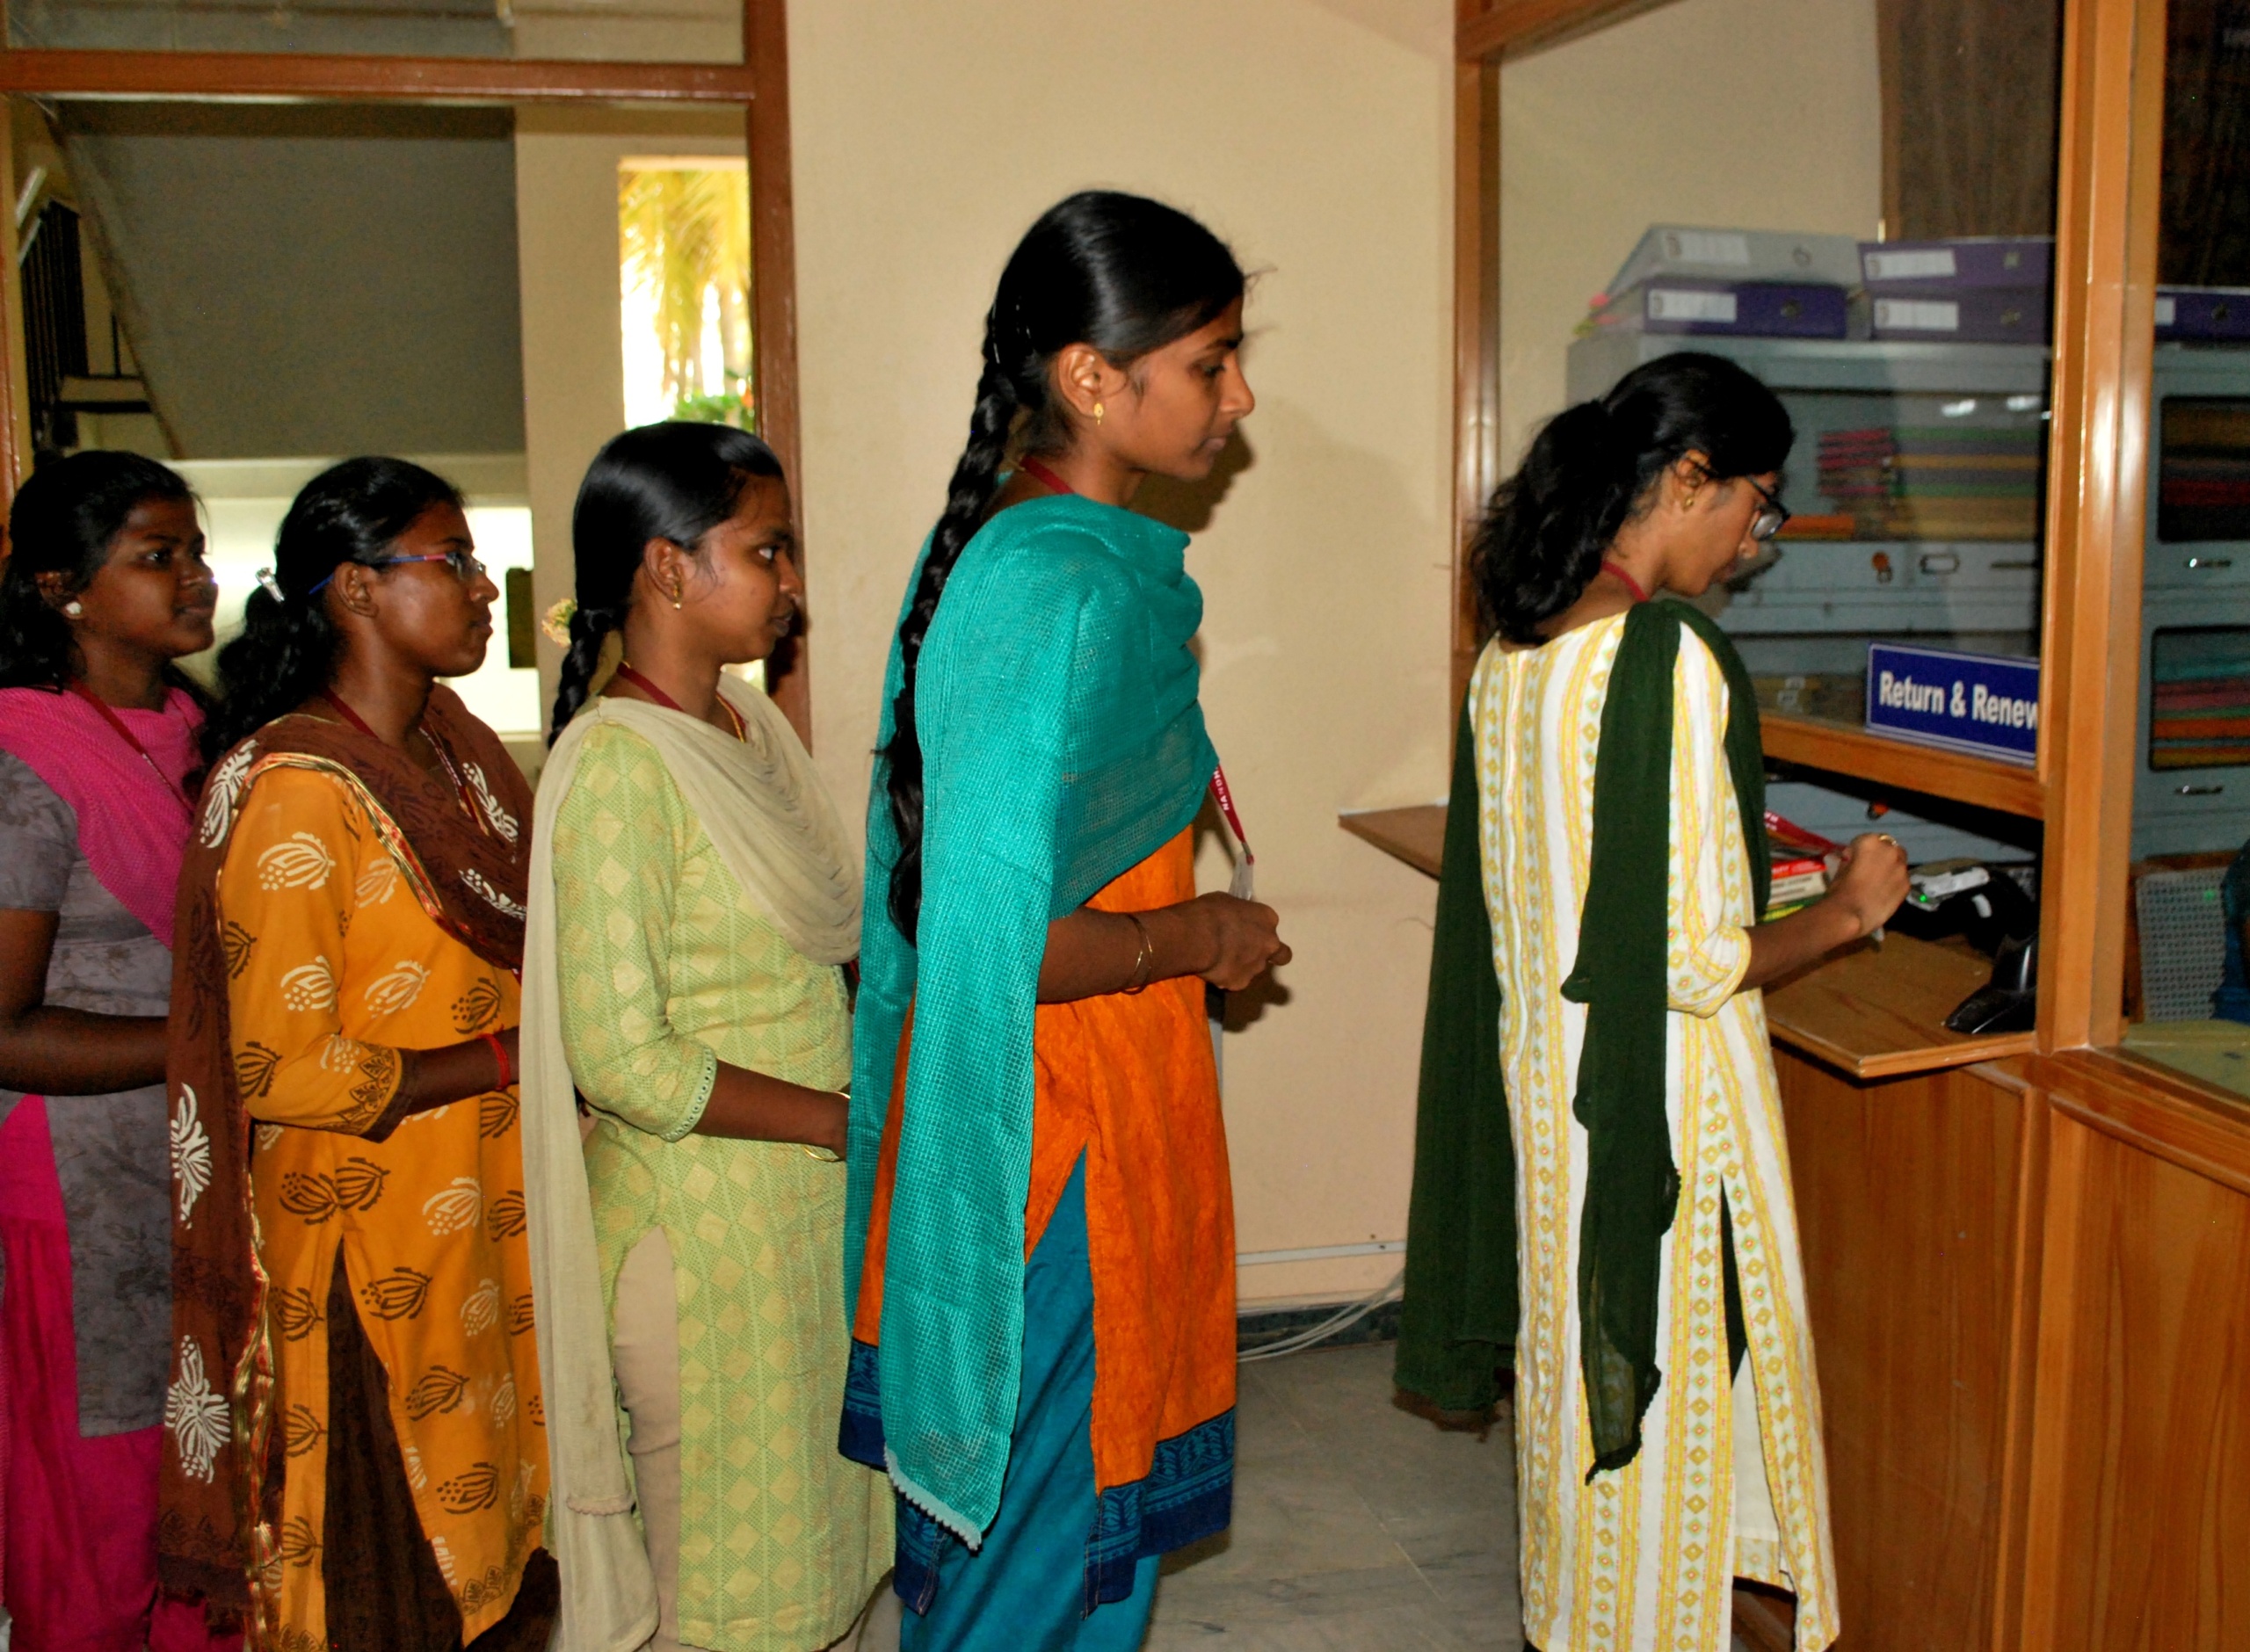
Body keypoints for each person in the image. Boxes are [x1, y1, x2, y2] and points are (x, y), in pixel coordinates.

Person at [841, 190, 1290, 1650]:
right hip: (1048, 1153)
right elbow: (997, 941)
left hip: (1101, 1105)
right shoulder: (1049, 589)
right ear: (1095, 379)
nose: (1239, 395)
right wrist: (1199, 942)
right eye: (1211, 361)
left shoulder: (1053, 552)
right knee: (1025, 1584)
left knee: (1078, 1573)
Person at [1445, 352, 1909, 1652]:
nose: (1751, 546)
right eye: (1755, 508)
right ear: (1687, 477)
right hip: (1660, 1123)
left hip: (1557, 1116)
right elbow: (1695, 958)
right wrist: (1846, 912)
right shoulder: (1665, 657)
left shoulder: (1516, 654)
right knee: (1665, 1427)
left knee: (1582, 1424)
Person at [160, 458, 554, 1649]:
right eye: (451, 562)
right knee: (395, 1578)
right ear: (353, 593)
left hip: (485, 1222)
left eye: (478, 562)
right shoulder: (293, 787)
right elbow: (287, 1068)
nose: (486, 589)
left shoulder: (461, 755)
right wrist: (509, 1060)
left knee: (506, 1557)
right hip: (366, 1251)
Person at [521, 422, 893, 1652]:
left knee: (824, 1571)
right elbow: (623, 1057)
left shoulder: (747, 729)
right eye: (768, 551)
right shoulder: (621, 769)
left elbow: (823, 954)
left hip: (799, 1224)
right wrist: (841, 1121)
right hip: (701, 1250)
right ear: (667, 569)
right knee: (723, 1607)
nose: (793, 584)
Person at [0, 452, 235, 1652]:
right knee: (100, 1528)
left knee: (210, 1510)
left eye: (195, 550)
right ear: (62, 588)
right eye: (158, 556)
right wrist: (212, 1045)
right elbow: (4, 1028)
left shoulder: (201, 728)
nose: (196, 578)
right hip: (83, 1194)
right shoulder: (22, 753)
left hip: (198, 1175)